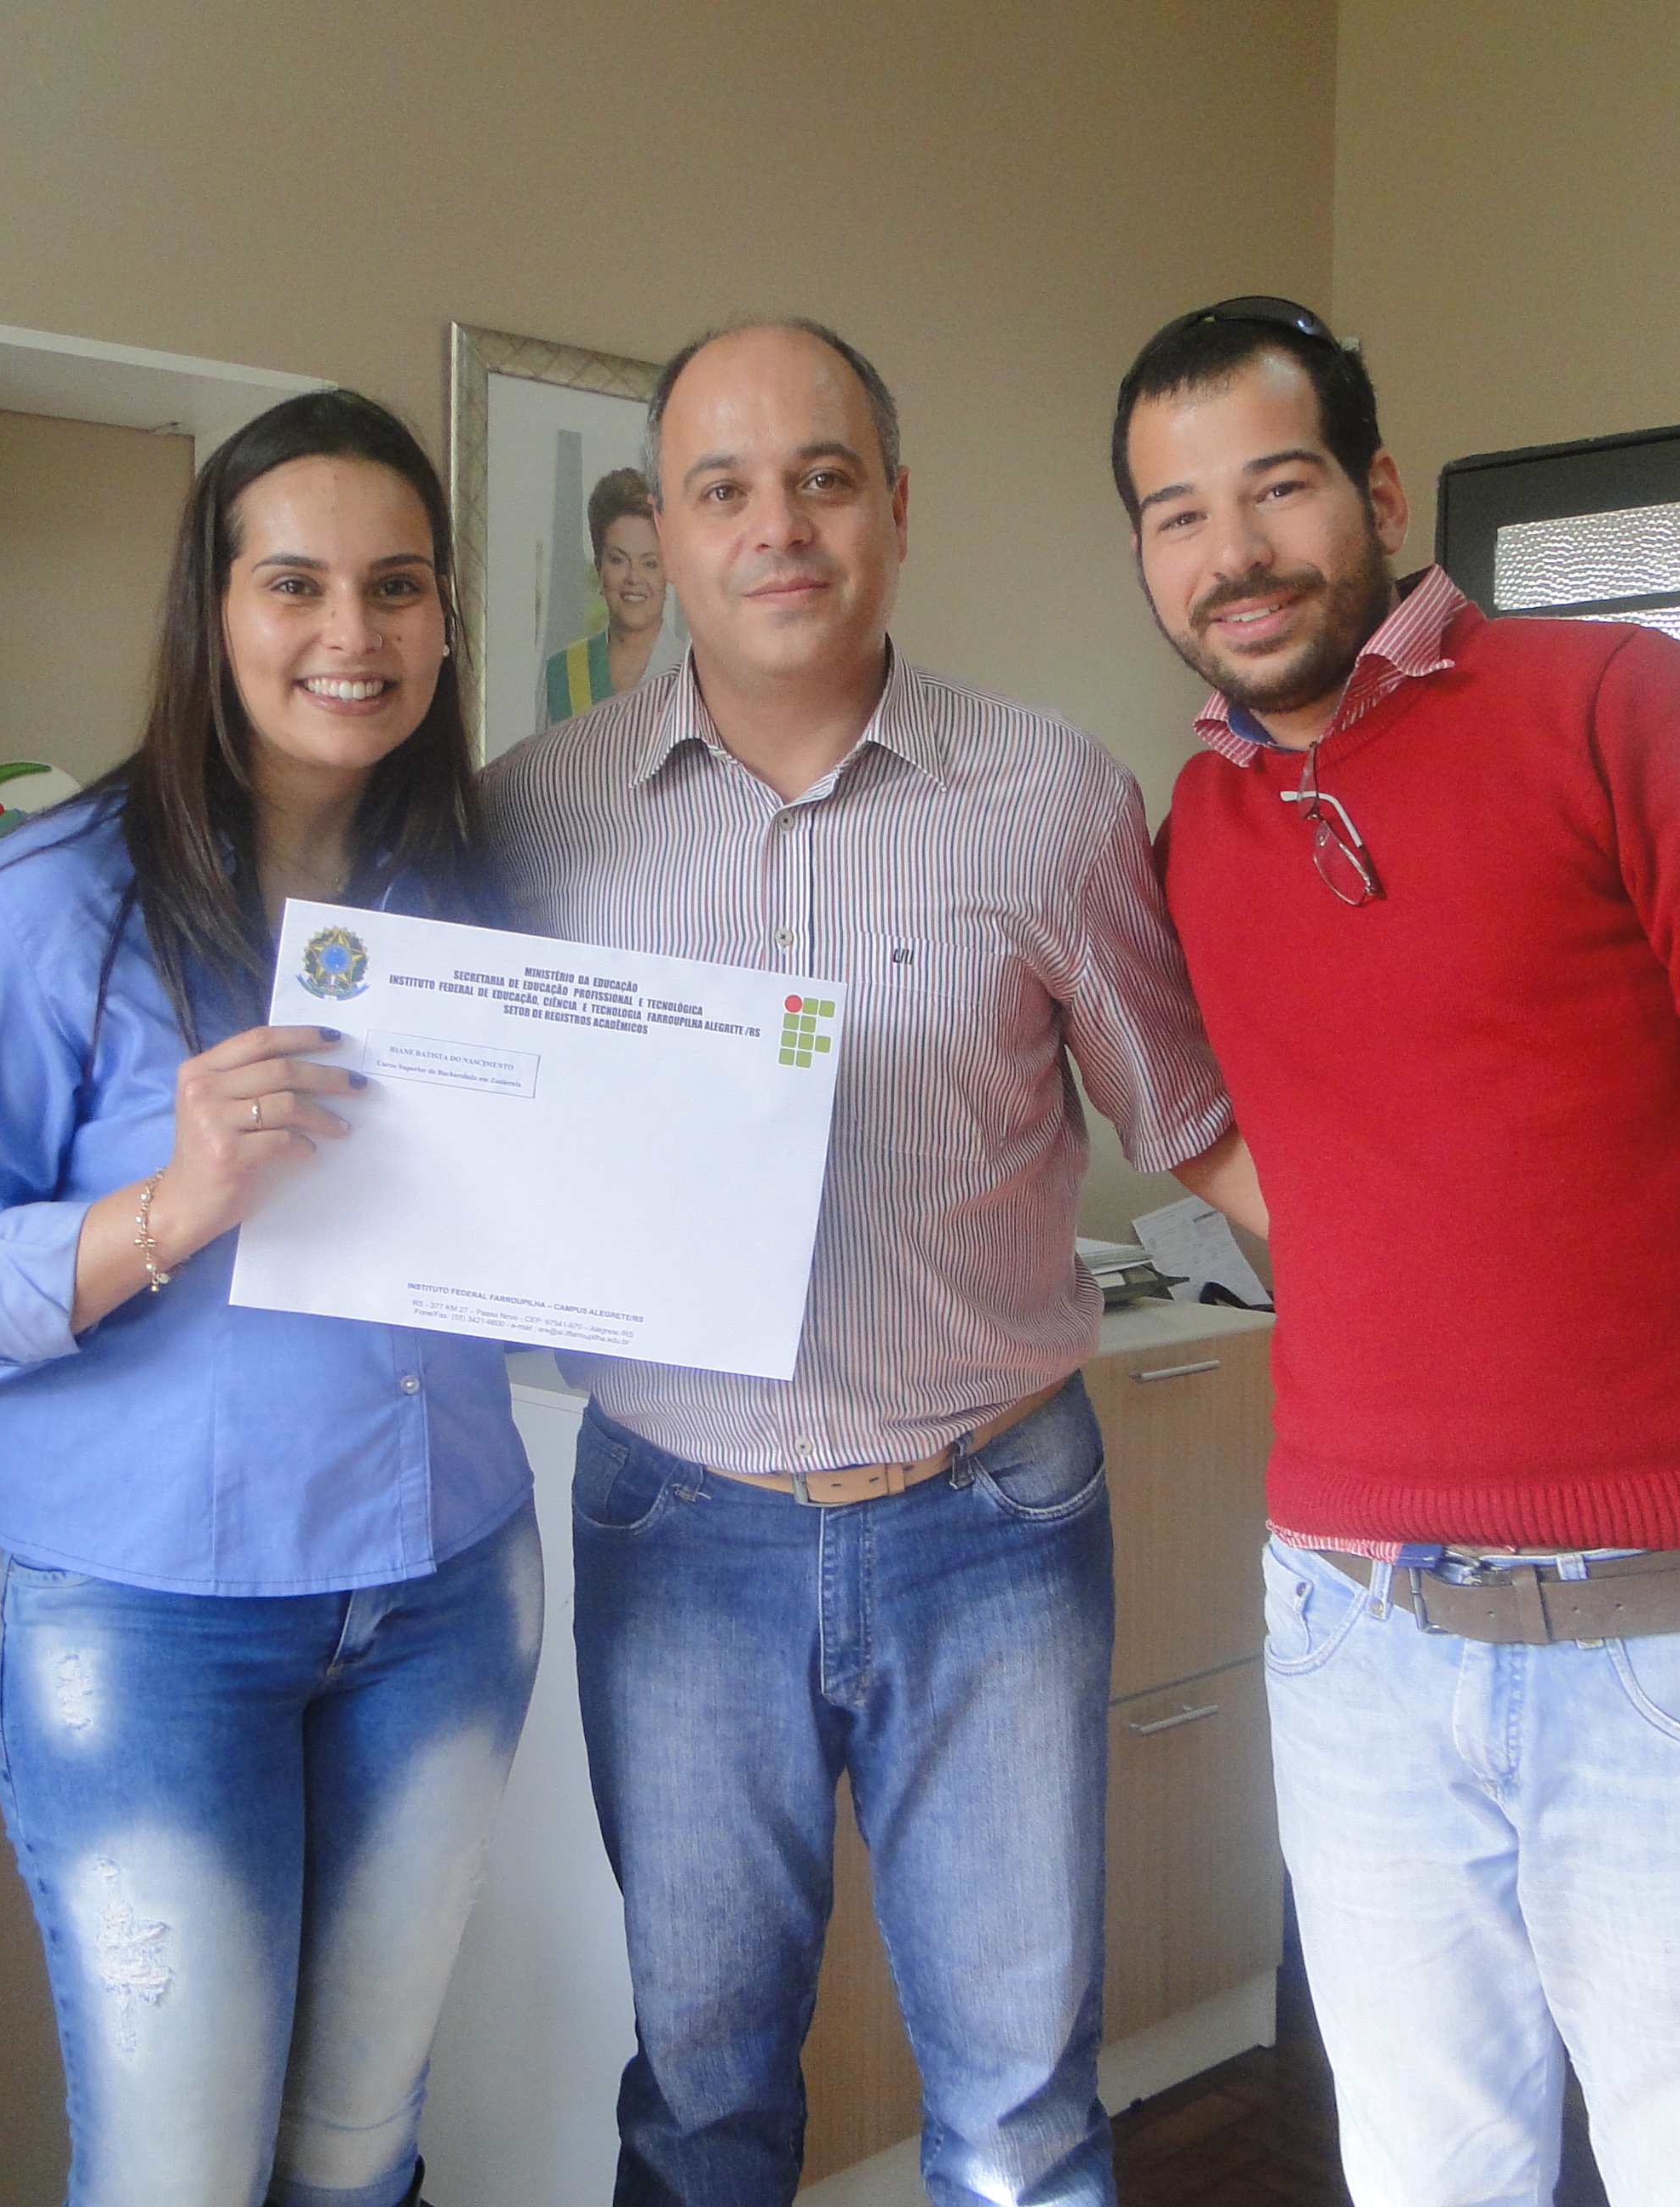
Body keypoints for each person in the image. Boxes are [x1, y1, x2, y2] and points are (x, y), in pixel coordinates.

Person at [1113, 298, 1680, 2204]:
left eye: (1276, 487)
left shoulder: (1623, 706)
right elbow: (1271, 1139)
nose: (1233, 553)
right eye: (1177, 516)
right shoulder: (1201, 823)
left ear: (1378, 492)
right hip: (1353, 1642)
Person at [488, 319, 1236, 2207]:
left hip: (993, 1519)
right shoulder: (529, 815)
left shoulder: (1050, 793)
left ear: (895, 507)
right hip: (679, 1524)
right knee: (701, 2098)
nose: (779, 527)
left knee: (1021, 2112)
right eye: (724, 488)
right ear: (665, 530)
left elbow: (1195, 1125)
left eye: (823, 479)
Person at [0, 390, 540, 2207]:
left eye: (397, 586)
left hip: (448, 1588)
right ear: (211, 611)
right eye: (294, 583)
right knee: (179, 2181)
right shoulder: (46, 910)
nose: (350, 632)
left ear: (444, 621)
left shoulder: (479, 903)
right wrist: (175, 1204)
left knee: (360, 2158)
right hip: (153, 1630)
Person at [537, 467, 672, 725]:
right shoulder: (562, 674)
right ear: (599, 567)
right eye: (618, 560)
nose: (634, 578)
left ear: (669, 570)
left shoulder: (697, 676)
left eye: (649, 563)